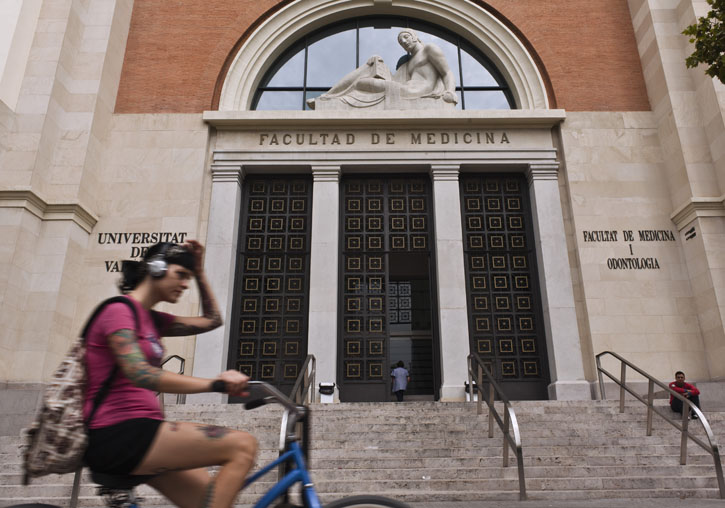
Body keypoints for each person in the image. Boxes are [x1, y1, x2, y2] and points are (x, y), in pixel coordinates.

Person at [83, 240, 258, 508]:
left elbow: (213, 320)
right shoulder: (117, 311)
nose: (185, 284)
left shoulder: (152, 320)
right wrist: (215, 384)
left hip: (144, 431)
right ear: (156, 268)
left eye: (188, 278)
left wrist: (199, 272)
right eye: (181, 275)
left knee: (209, 499)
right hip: (119, 433)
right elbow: (140, 373)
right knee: (243, 446)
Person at [308, 29, 458, 109]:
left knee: (360, 84)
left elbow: (447, 73)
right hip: (402, 88)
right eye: (401, 41)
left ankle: (330, 99)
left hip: (414, 92)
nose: (404, 42)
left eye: (406, 37)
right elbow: (398, 78)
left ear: (415, 36)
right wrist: (378, 64)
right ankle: (328, 97)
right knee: (372, 63)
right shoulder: (409, 63)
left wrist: (450, 93)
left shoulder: (429, 49)